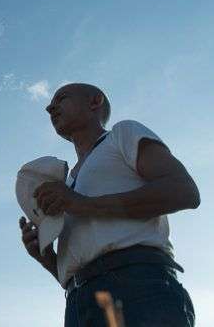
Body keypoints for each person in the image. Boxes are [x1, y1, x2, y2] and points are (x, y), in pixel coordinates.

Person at [19, 83, 199, 326]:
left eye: (61, 98)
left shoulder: (122, 135)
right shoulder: (69, 180)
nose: (50, 107)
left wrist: (83, 204)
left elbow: (183, 191)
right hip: (77, 300)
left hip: (136, 286)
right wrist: (49, 259)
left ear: (95, 101)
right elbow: (85, 260)